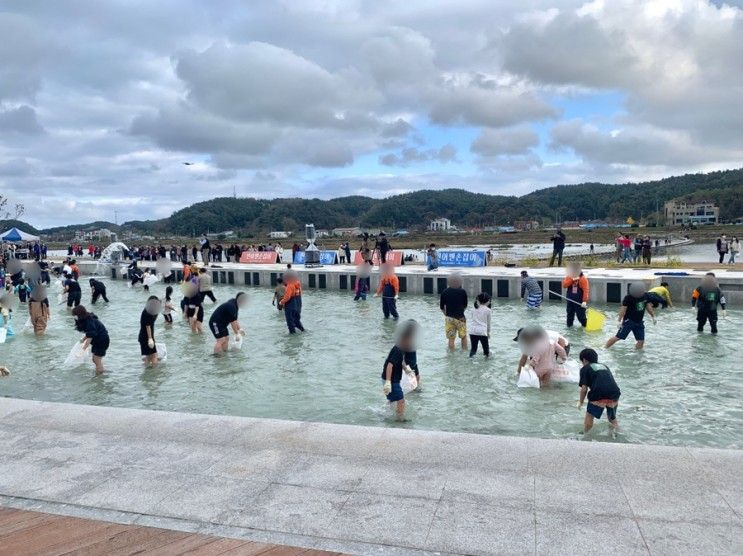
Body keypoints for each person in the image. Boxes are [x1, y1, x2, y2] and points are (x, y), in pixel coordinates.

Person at [381, 319, 419, 421]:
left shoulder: (400, 348)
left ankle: (385, 415)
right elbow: (390, 365)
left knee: (393, 400)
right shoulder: (398, 350)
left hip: (390, 379)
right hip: (391, 380)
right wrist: (388, 382)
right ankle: (400, 419)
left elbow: (400, 361)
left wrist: (405, 369)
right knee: (401, 401)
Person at [577, 349, 620, 434]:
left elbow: (584, 389)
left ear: (584, 360)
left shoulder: (585, 368)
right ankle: (616, 435)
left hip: (598, 395)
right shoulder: (604, 366)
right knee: (612, 419)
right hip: (614, 393)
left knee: (589, 417)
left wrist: (581, 402)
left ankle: (585, 434)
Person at [605, 282, 656, 350]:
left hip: (639, 322)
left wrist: (653, 316)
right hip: (628, 321)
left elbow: (648, 306)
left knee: (641, 341)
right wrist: (619, 321)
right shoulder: (628, 298)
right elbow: (623, 310)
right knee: (618, 337)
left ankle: (637, 355)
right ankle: (605, 348)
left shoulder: (646, 295)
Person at [72, 305, 109, 374]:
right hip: (98, 340)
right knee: (95, 359)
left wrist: (83, 349)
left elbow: (91, 335)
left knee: (96, 359)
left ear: (79, 314)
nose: (74, 317)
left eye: (75, 315)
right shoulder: (86, 319)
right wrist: (83, 339)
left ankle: (99, 376)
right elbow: (90, 333)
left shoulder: (89, 321)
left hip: (102, 340)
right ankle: (101, 372)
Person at [439, 273, 468, 350]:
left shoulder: (444, 292)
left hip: (449, 318)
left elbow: (441, 307)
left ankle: (451, 356)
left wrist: (446, 314)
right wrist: (461, 311)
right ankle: (464, 352)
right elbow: (465, 305)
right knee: (463, 336)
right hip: (460, 318)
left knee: (451, 339)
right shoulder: (463, 291)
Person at [561, 263, 589, 328]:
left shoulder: (583, 279)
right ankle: (569, 327)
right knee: (569, 315)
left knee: (581, 317)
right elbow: (564, 285)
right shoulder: (569, 277)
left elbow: (586, 290)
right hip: (570, 300)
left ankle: (585, 327)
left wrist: (584, 301)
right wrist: (572, 279)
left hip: (579, 302)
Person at [138, 296, 161, 366]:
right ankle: (154, 372)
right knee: (153, 355)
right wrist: (150, 339)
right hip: (146, 338)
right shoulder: (147, 312)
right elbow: (148, 326)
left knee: (149, 357)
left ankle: (148, 372)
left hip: (145, 337)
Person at [468, 293, 491, 358]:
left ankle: (471, 361)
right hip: (482, 332)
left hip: (472, 331)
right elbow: (488, 323)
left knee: (473, 349)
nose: (489, 302)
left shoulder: (473, 309)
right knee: (486, 350)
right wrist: (488, 332)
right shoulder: (488, 310)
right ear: (487, 301)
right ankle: (487, 363)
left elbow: (473, 320)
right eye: (489, 300)